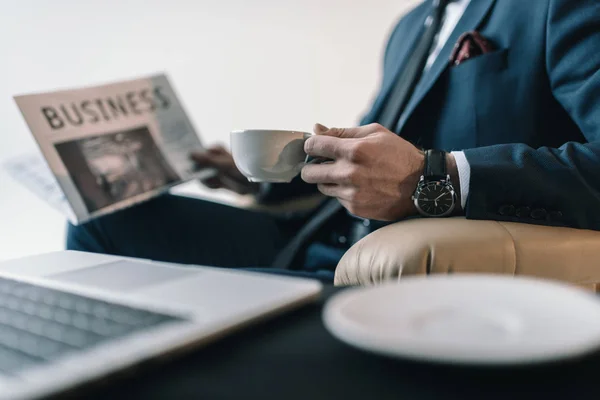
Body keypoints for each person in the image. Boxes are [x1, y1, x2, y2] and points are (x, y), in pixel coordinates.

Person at [68, 0, 600, 283]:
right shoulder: (411, 25)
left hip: (392, 264)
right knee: (100, 223)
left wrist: (430, 178)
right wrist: (258, 178)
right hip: (312, 236)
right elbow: (359, 156)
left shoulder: (559, 4)